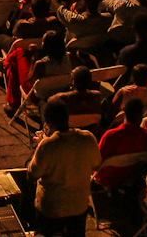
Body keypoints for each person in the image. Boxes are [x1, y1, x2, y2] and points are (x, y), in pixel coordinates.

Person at [28, 100, 100, 237]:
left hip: (51, 209)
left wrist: (40, 145)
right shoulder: (88, 138)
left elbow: (32, 174)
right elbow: (96, 164)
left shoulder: (47, 145)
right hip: (79, 205)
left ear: (48, 123)